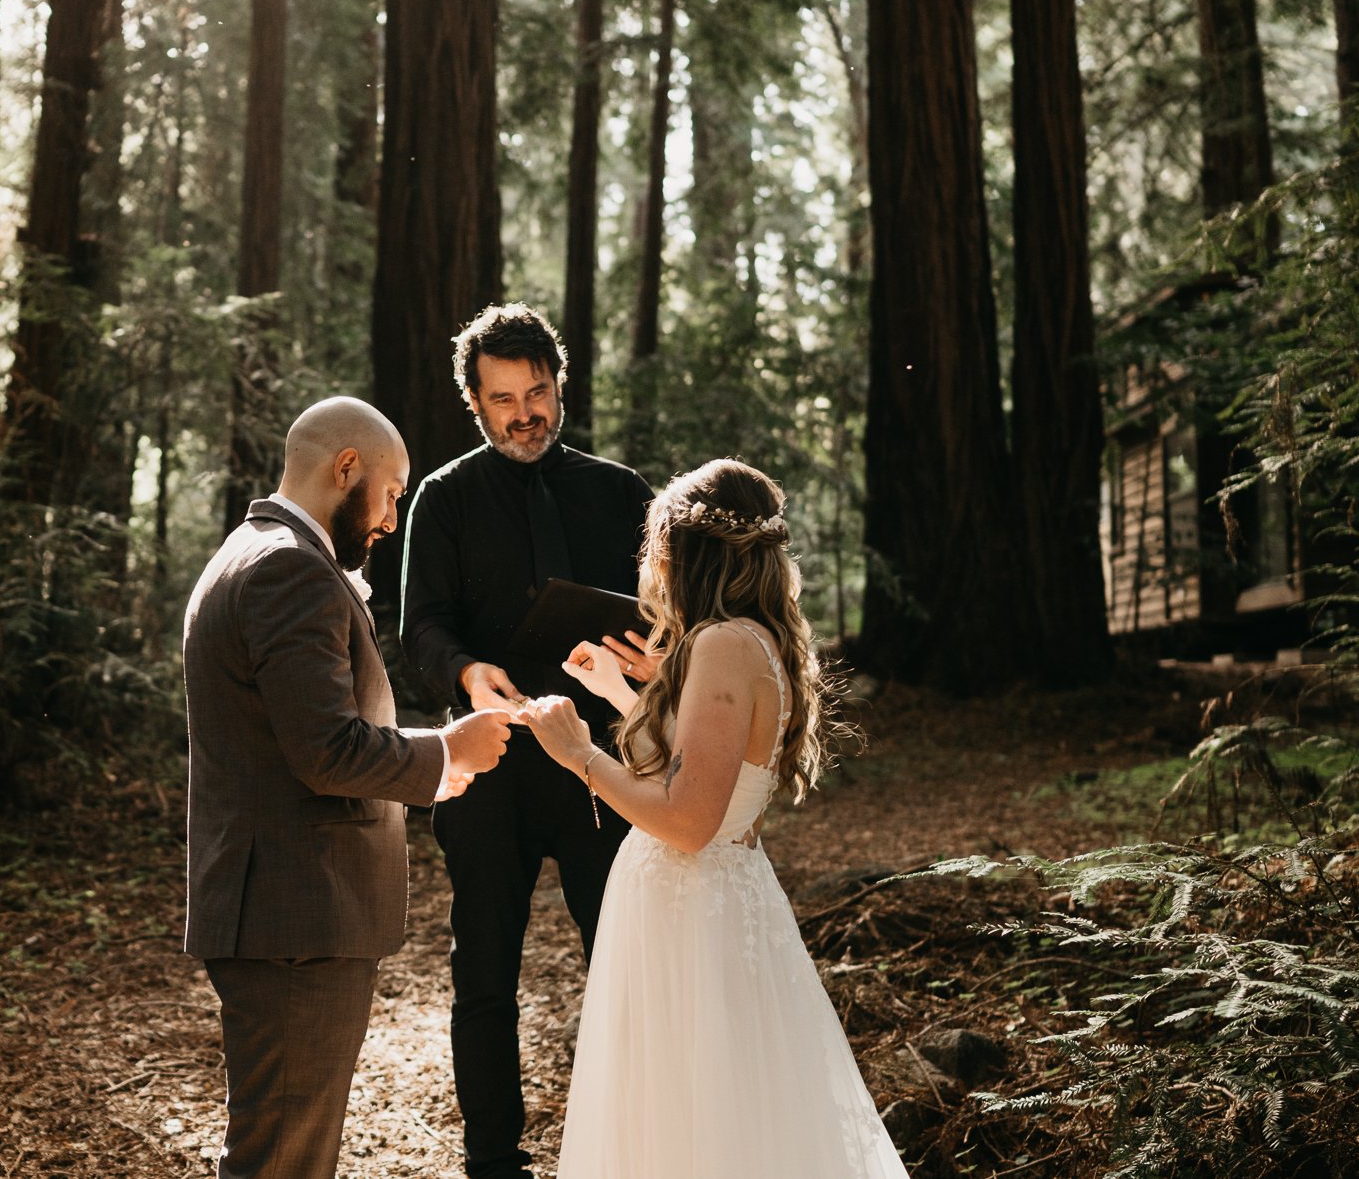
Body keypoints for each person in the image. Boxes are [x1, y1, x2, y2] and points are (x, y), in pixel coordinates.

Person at [520, 459, 912, 1179]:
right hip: (704, 901)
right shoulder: (746, 639)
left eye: (657, 544)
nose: (652, 562)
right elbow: (689, 772)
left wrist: (577, 753)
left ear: (680, 548)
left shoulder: (723, 644)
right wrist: (618, 690)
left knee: (694, 1120)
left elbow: (688, 818)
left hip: (691, 911)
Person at [182, 396, 514, 1179]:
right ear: (346, 470)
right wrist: (446, 751)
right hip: (296, 919)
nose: (392, 519)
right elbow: (325, 748)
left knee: (285, 1150)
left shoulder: (252, 548)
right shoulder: (289, 568)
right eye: (393, 492)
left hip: (284, 912)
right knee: (282, 1160)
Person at [399, 302, 658, 1179]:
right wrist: (469, 674)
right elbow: (422, 627)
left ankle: (633, 1147)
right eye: (503, 398)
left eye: (538, 391)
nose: (525, 413)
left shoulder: (623, 493)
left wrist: (648, 654)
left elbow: (668, 619)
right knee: (484, 977)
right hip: (492, 764)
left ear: (560, 386)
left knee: (625, 964)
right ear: (474, 401)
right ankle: (492, 1160)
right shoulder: (442, 497)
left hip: (603, 767)